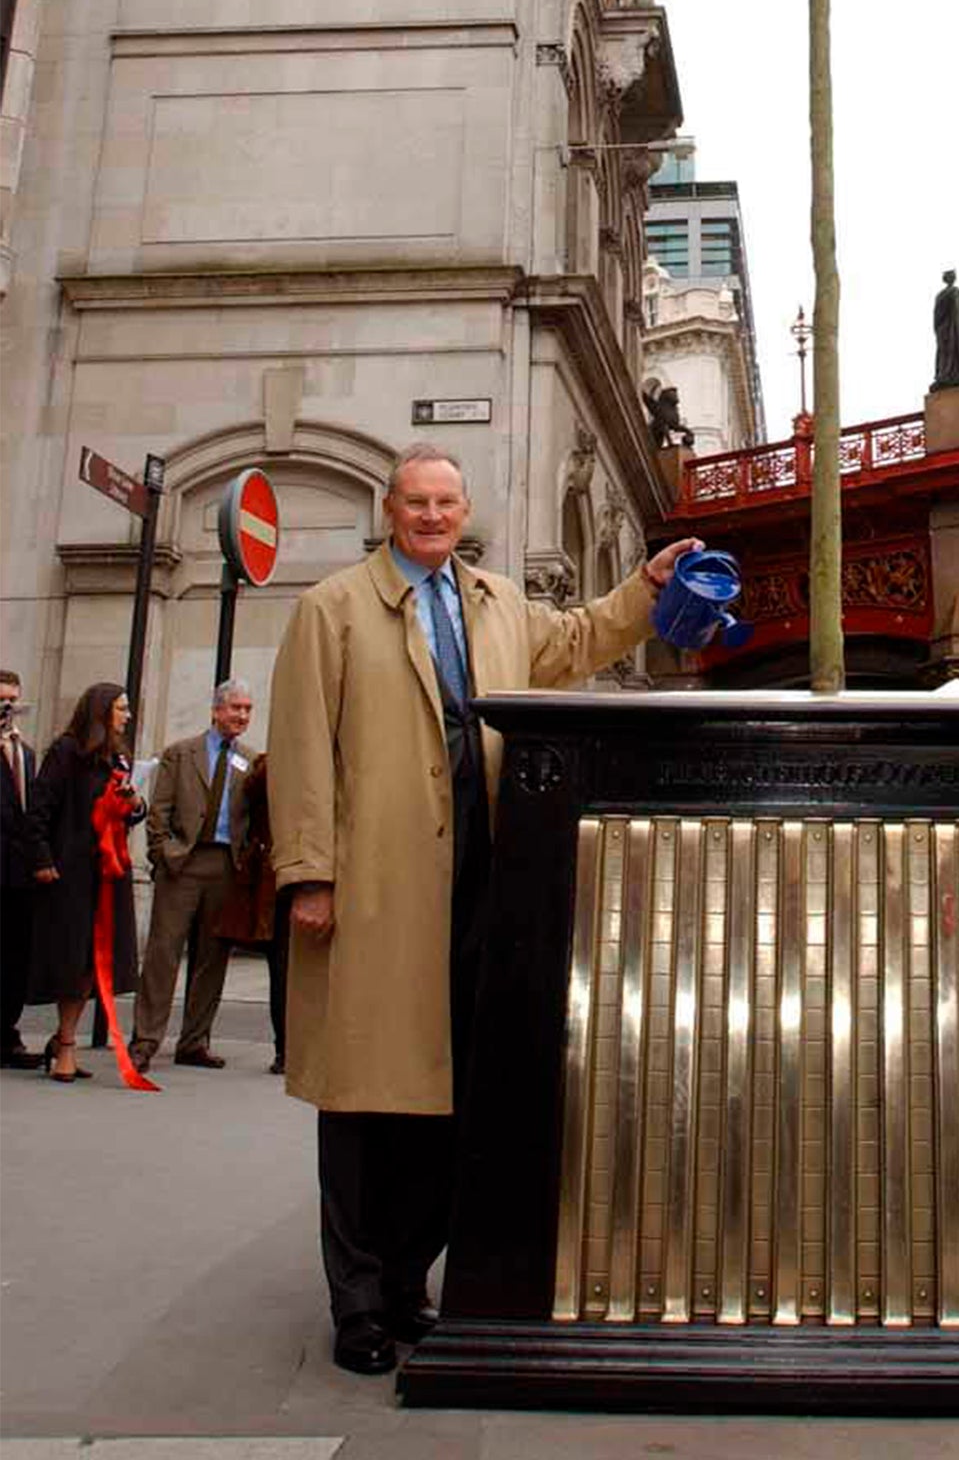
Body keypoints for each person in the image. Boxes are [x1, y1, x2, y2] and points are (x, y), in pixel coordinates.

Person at [268, 441, 700, 1376]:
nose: (431, 516)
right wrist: (310, 872)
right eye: (416, 502)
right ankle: (355, 1302)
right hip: (377, 888)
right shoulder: (331, 609)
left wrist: (646, 583)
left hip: (484, 882)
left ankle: (406, 1286)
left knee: (450, 1097)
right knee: (359, 1103)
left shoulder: (499, 605)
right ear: (390, 510)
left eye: (446, 503)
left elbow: (581, 640)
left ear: (466, 512)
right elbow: (302, 747)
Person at [129, 681, 258, 1073]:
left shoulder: (252, 761)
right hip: (183, 864)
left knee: (212, 958)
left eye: (248, 709)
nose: (242, 716)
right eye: (236, 708)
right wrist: (162, 854)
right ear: (216, 710)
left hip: (225, 867)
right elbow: (159, 813)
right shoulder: (180, 754)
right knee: (163, 955)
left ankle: (194, 1040)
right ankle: (146, 1040)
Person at [26, 683, 146, 1083]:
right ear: (100, 711)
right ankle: (65, 1043)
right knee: (72, 958)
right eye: (121, 709)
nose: (127, 716)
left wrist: (134, 802)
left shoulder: (119, 757)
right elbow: (40, 808)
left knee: (93, 963)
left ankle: (66, 1040)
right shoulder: (67, 752)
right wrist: (42, 858)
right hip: (71, 870)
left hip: (108, 871)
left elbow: (128, 813)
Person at [212, 754, 289, 1074]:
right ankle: (285, 1048)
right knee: (282, 968)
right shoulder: (266, 765)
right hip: (275, 881)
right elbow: (250, 796)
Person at [1, 669, 41, 1068]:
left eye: (13, 700)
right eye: (1, 700)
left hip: (18, 871)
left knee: (15, 955)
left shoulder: (24, 752)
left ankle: (6, 1032)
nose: (7, 707)